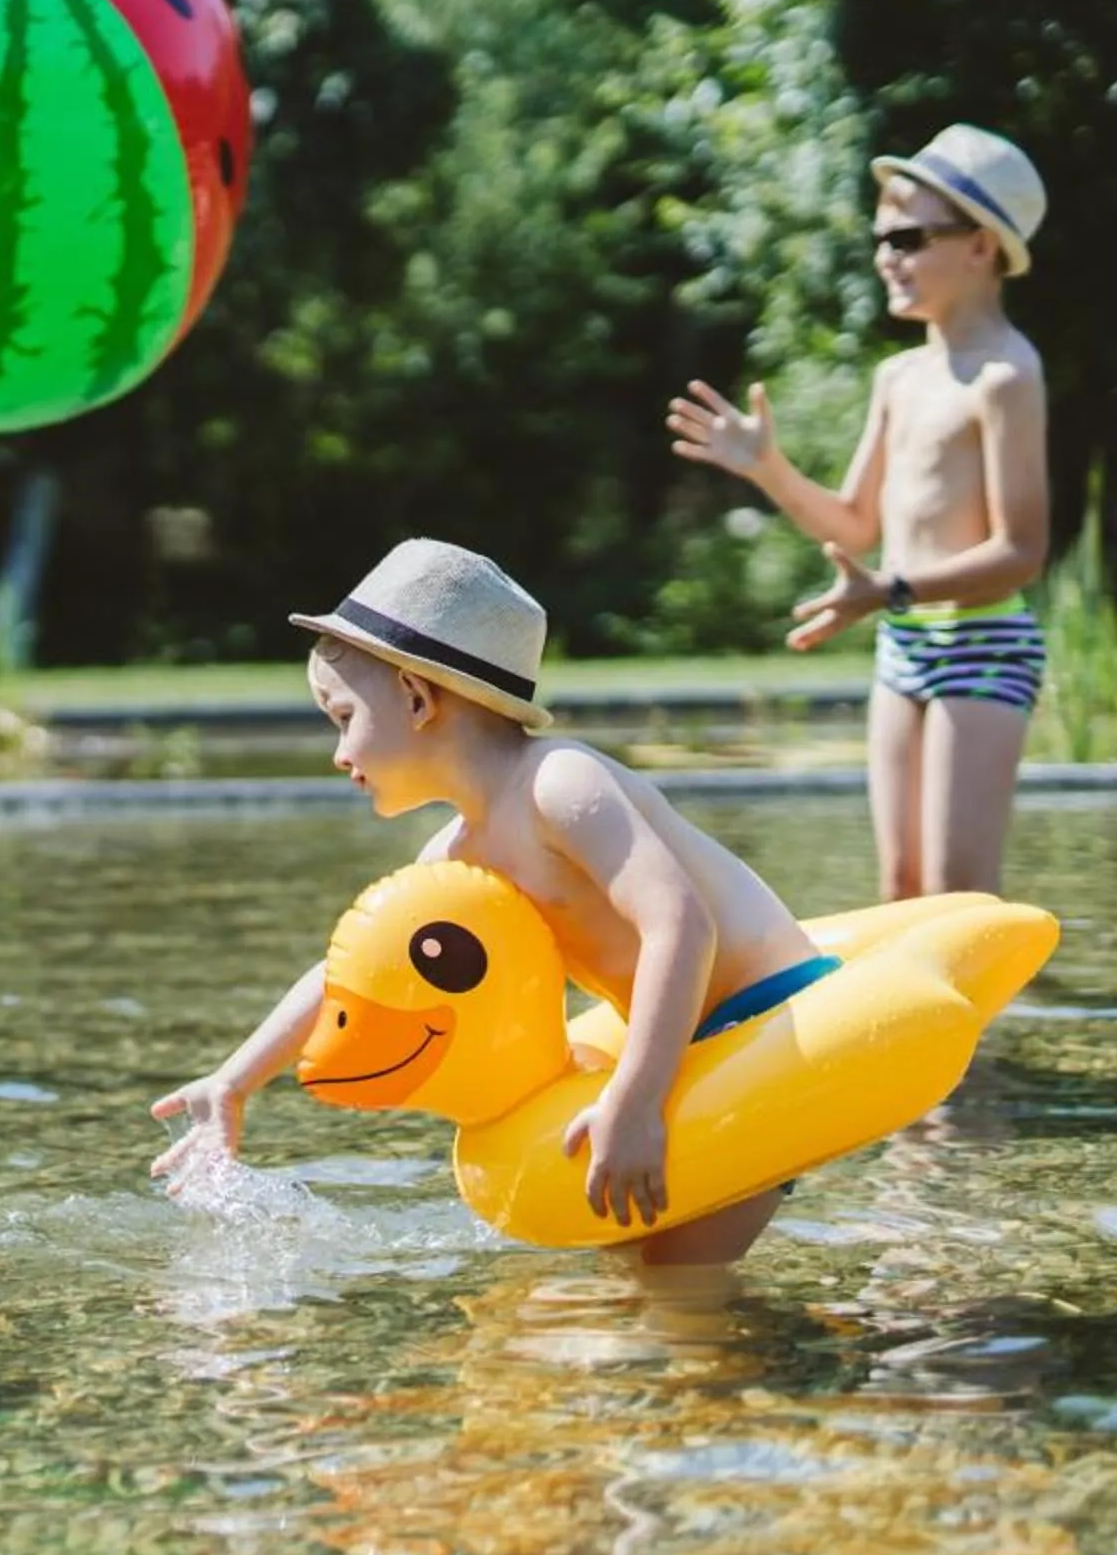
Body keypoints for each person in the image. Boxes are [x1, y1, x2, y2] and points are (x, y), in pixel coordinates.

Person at [150, 539, 835, 1266]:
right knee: (631, 1271)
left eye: (343, 717)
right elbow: (346, 977)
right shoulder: (458, 856)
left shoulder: (560, 785)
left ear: (416, 699)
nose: (338, 753)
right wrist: (234, 1080)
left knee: (675, 1286)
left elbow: (680, 925)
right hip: (690, 1043)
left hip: (765, 1018)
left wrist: (635, 1100)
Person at [666, 123, 1052, 899]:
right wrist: (768, 469)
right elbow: (852, 524)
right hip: (903, 646)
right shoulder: (899, 377)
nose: (887, 256)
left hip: (983, 645)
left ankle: (1000, 1025)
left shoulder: (1006, 376)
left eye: (908, 237)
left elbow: (1022, 552)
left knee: (957, 893)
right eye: (882, 238)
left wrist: (890, 591)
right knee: (902, 885)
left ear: (981, 245)